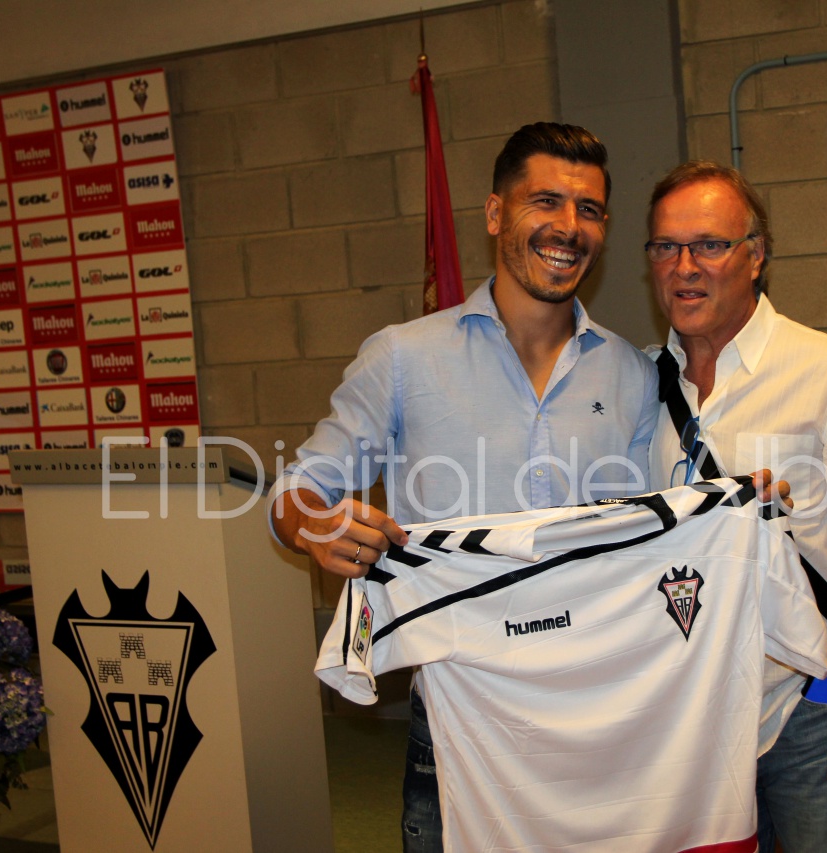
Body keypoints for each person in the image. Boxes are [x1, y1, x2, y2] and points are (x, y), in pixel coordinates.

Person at [269, 123, 660, 852]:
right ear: (495, 213)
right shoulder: (404, 358)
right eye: (546, 200)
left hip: (598, 715)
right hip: (458, 723)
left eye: (589, 209)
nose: (569, 227)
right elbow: (299, 488)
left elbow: (654, 537)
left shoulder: (633, 375)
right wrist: (315, 525)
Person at [644, 160, 827, 853]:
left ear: (755, 256)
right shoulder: (637, 385)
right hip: (694, 716)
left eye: (709, 244)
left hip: (818, 709)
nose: (684, 267)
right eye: (665, 246)